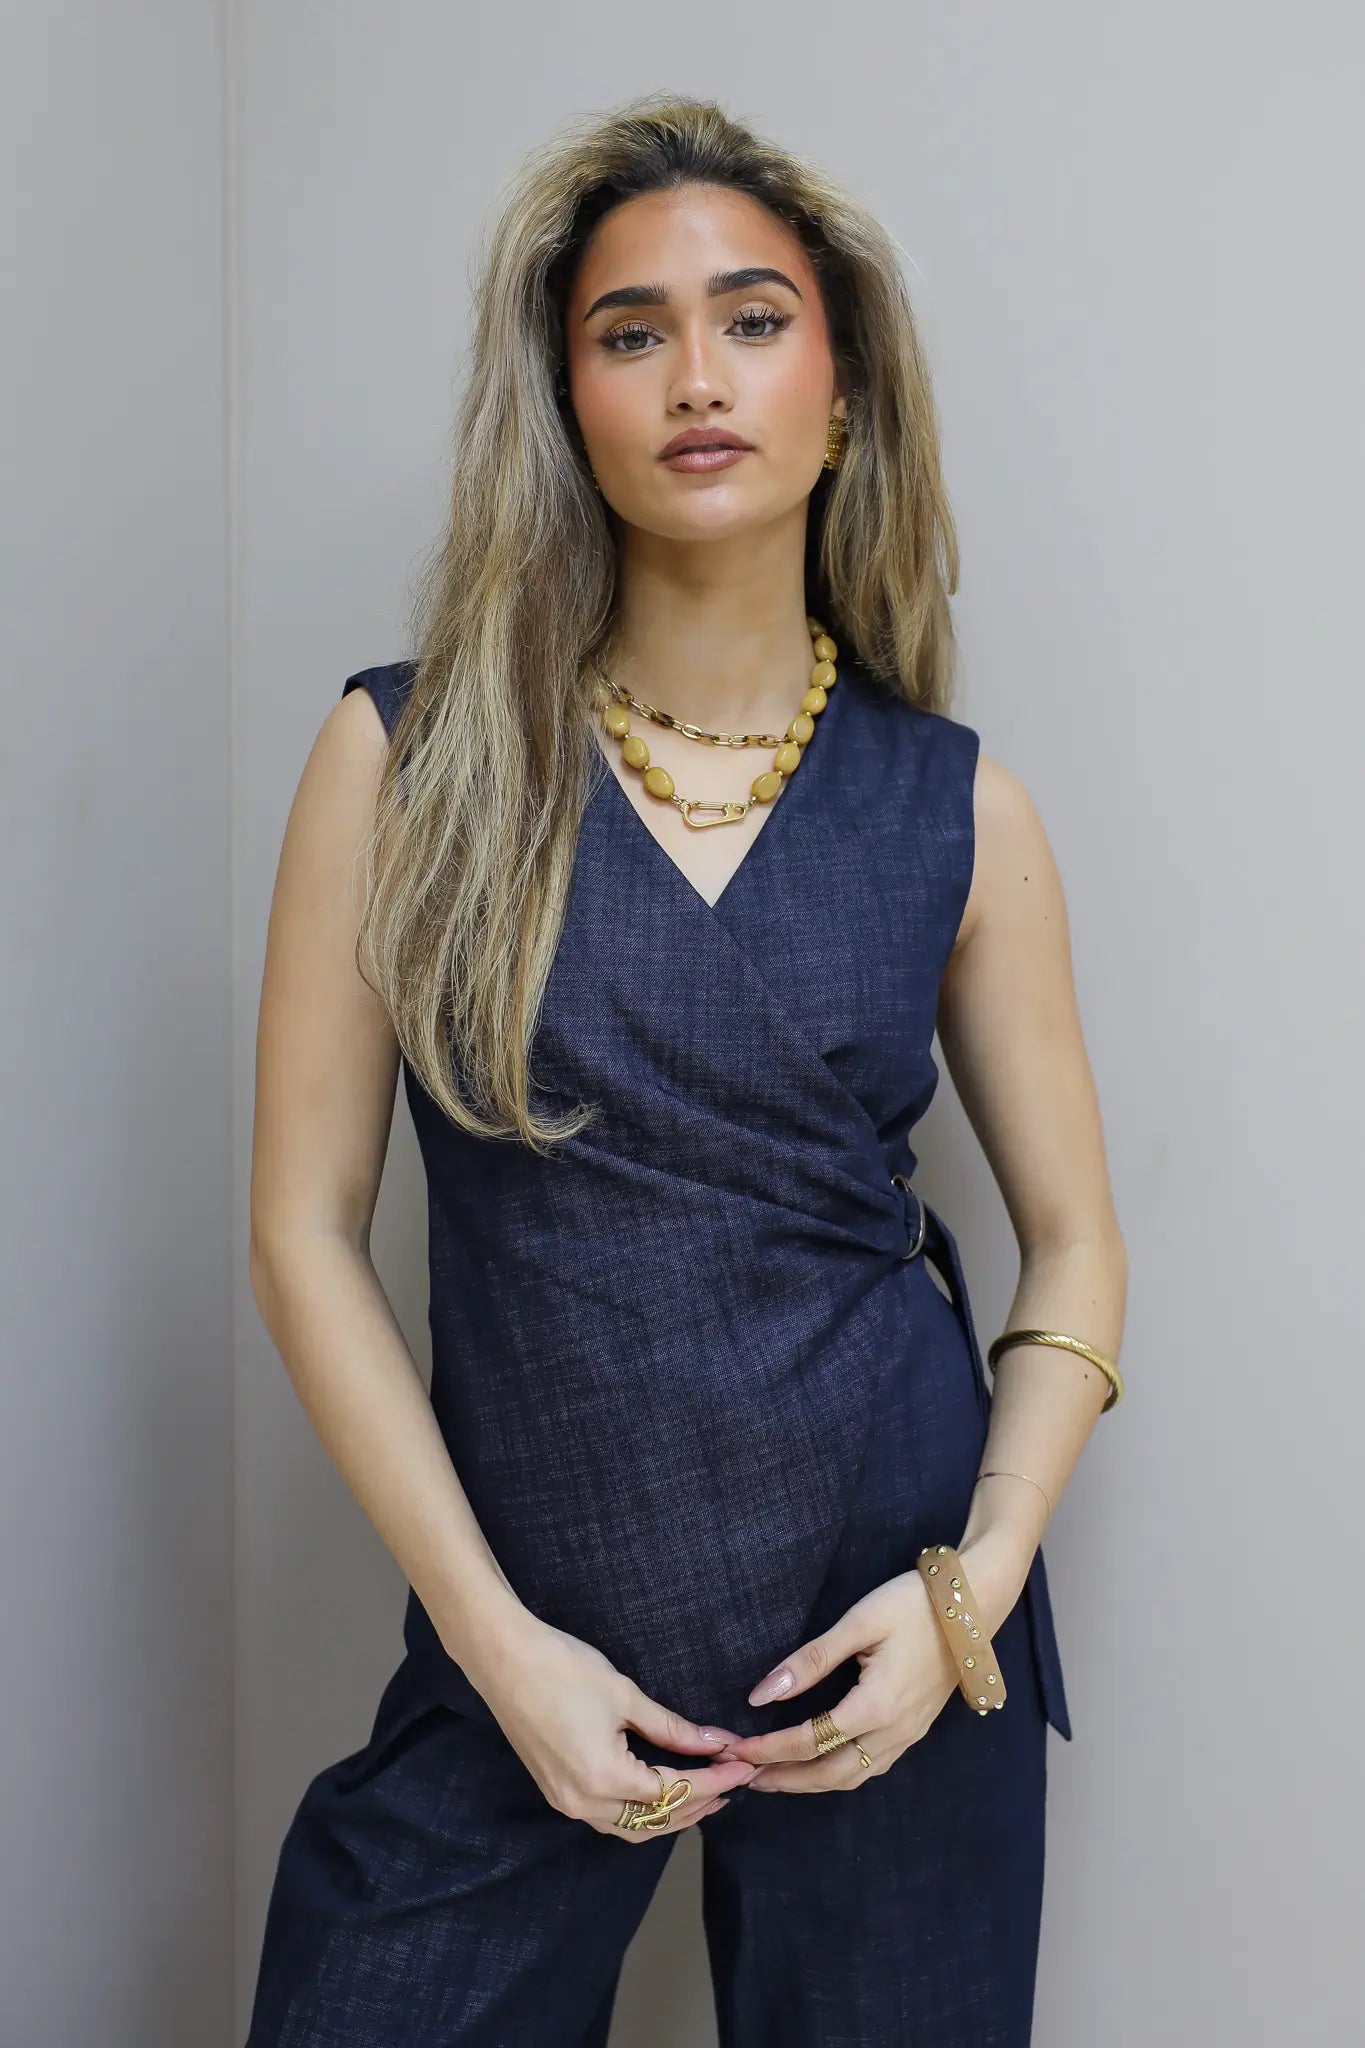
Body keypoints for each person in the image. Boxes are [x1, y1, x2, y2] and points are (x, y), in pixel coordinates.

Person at [243, 89, 1127, 2048]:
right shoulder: (407, 764)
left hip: (891, 1646)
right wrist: (498, 1654)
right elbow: (302, 1232)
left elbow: (1074, 1242)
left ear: (845, 389)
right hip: (526, 1643)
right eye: (629, 331)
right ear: (565, 401)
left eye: (751, 319)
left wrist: (969, 1592)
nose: (695, 376)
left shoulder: (957, 810)